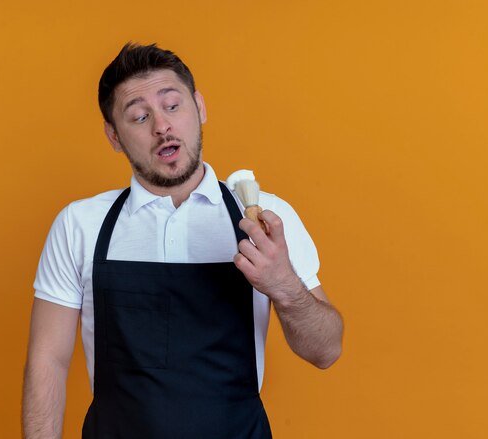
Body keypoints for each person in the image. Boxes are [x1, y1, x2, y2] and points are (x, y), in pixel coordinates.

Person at [22, 43, 343, 439]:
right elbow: (47, 362)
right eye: (139, 116)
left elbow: (326, 351)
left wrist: (285, 286)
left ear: (200, 108)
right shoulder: (80, 224)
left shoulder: (263, 217)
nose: (161, 126)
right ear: (114, 136)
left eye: (172, 106)